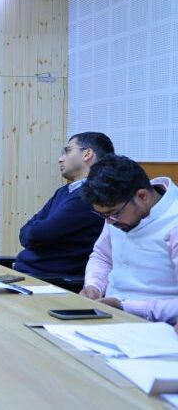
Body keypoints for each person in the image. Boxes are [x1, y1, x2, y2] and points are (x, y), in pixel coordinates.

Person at [80, 154, 178, 322]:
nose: (109, 222)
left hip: (158, 323)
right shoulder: (117, 214)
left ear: (142, 196)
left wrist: (125, 305)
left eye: (114, 213)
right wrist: (94, 285)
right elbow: (102, 256)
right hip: (110, 314)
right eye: (103, 215)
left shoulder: (173, 221)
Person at [14, 132, 114, 277]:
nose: (60, 159)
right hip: (29, 271)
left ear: (87, 154)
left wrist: (34, 231)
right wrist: (34, 231)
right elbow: (25, 232)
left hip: (50, 280)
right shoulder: (64, 191)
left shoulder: (91, 196)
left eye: (67, 151)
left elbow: (39, 234)